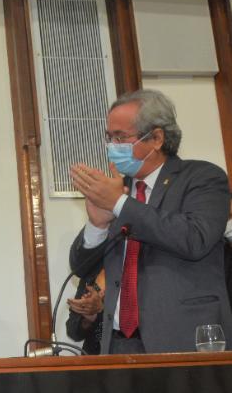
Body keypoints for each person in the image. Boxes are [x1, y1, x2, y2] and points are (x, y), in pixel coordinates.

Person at [69, 89, 231, 354]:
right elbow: (81, 269)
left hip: (183, 339)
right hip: (118, 343)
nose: (112, 146)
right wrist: (97, 226)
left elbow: (195, 239)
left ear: (156, 138)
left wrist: (120, 204)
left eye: (120, 137)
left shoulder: (203, 177)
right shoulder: (119, 189)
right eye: (109, 138)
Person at [65, 267, 105, 355]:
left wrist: (100, 312)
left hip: (123, 355)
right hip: (92, 357)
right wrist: (87, 320)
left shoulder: (131, 276)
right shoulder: (91, 277)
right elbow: (72, 332)